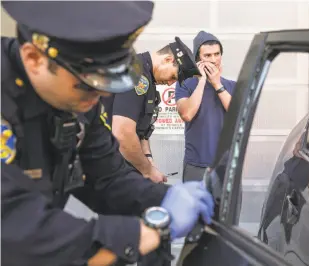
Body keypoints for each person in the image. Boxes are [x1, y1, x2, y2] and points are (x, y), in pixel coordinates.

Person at [1, 2, 214, 266]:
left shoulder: (77, 100)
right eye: (90, 85)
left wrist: (160, 198)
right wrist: (134, 237)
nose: (101, 95)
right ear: (34, 59)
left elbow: (107, 176)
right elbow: (12, 225)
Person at [102, 38, 200, 183]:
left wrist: (148, 160)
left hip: (120, 168)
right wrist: (147, 171)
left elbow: (141, 133)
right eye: (173, 77)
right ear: (168, 59)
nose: (169, 83)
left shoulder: (147, 78)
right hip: (108, 168)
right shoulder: (137, 74)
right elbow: (123, 133)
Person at [175, 31, 236, 182]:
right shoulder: (185, 84)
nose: (214, 60)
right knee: (195, 206)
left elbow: (239, 115)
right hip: (196, 164)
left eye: (217, 54)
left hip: (226, 165)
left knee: (225, 206)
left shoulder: (232, 86)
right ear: (198, 59)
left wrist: (217, 84)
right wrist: (202, 81)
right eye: (207, 56)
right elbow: (187, 114)